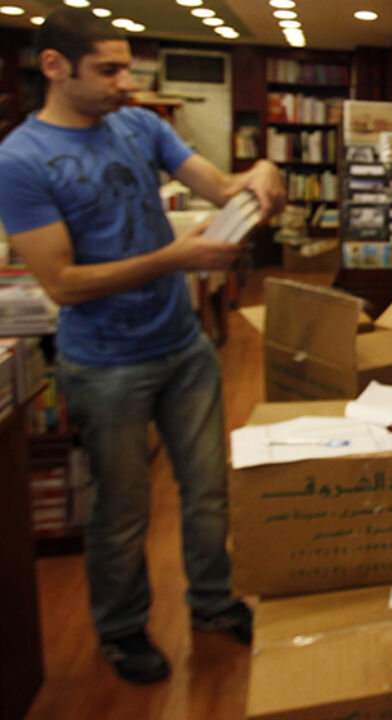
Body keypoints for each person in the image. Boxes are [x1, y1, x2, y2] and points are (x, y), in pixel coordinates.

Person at [0, 9, 285, 683]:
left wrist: (261, 171)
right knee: (122, 511)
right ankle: (122, 630)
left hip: (182, 345)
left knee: (209, 489)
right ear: (53, 68)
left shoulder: (139, 124)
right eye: (108, 70)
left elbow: (216, 185)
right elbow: (63, 284)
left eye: (127, 67)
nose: (125, 82)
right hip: (105, 363)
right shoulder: (20, 162)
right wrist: (173, 259)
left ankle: (214, 603)